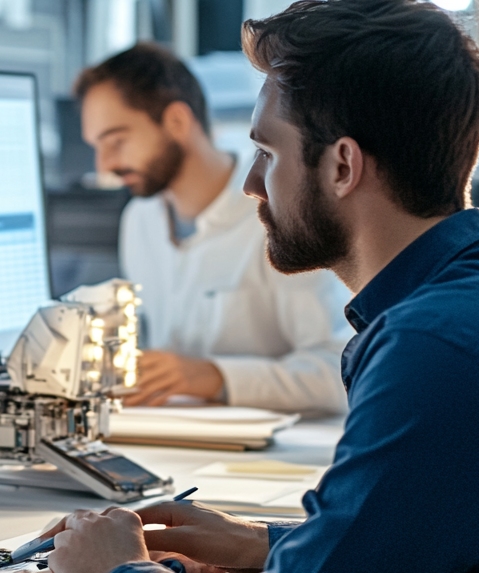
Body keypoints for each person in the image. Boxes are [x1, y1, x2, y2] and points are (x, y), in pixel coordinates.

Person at [47, 0, 479, 573]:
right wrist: (271, 547)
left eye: (269, 152)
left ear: (343, 165)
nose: (251, 183)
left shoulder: (434, 349)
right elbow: (441, 545)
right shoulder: (453, 310)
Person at [75, 43, 347, 413]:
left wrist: (214, 377)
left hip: (277, 450)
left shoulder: (275, 212)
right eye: (95, 147)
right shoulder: (139, 222)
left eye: (117, 141)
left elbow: (340, 374)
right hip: (177, 442)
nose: (105, 165)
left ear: (176, 122)